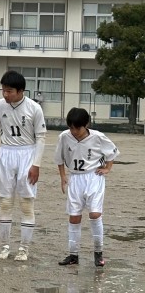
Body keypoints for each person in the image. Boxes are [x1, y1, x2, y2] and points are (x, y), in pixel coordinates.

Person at [0, 70, 47, 262]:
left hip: (27, 153)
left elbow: (41, 138)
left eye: (9, 91)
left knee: (26, 203)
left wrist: (36, 165)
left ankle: (23, 249)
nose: (5, 94)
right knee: (5, 202)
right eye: (3, 90)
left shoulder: (34, 108)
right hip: (6, 153)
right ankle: (4, 247)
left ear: (21, 91)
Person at [55, 108, 119, 268]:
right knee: (74, 216)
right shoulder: (64, 137)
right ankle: (73, 254)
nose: (74, 131)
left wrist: (108, 168)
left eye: (78, 128)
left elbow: (112, 152)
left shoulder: (97, 137)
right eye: (71, 128)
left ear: (86, 125)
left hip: (93, 177)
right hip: (75, 178)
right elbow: (59, 159)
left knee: (95, 214)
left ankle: (98, 253)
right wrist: (63, 176)